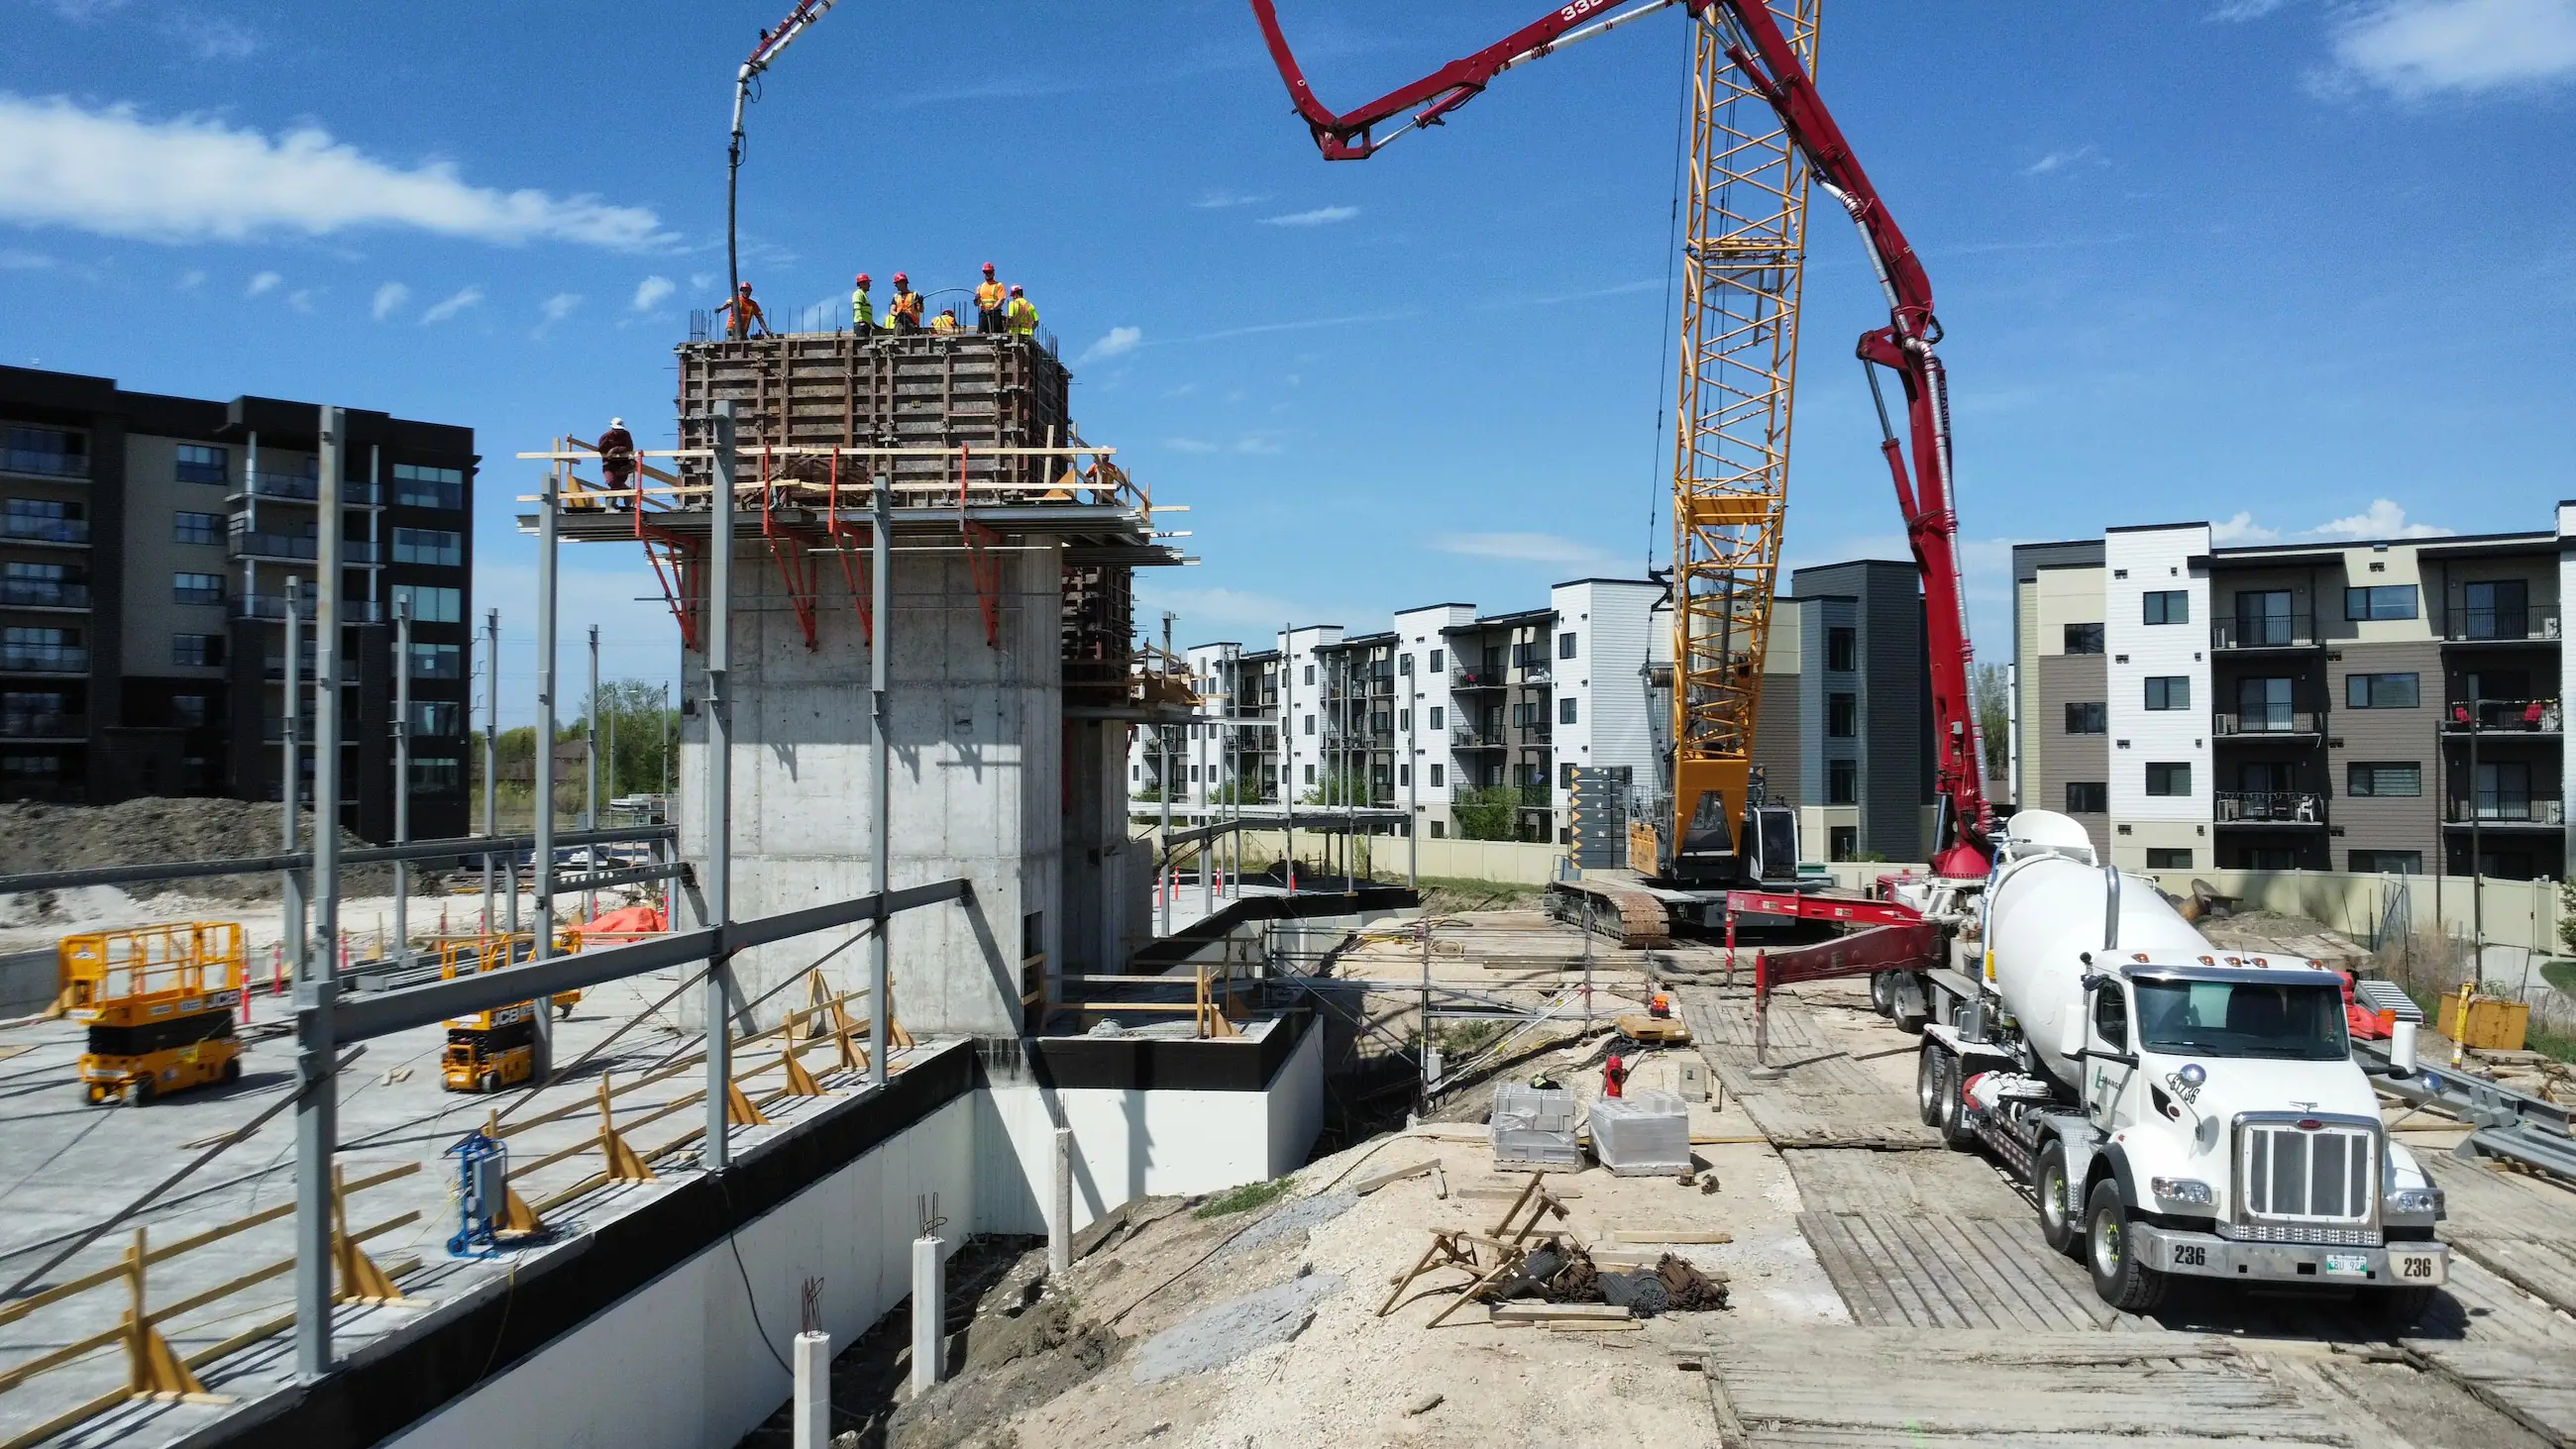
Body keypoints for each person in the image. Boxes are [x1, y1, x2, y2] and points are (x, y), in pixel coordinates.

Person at [597, 416, 636, 503]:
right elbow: (601, 449)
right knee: (612, 481)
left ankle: (611, 506)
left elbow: (629, 447)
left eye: (620, 429)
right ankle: (628, 493)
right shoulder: (606, 436)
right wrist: (609, 454)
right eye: (616, 429)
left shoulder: (626, 434)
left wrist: (615, 450)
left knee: (616, 485)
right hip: (609, 464)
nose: (618, 431)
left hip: (622, 463)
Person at [974, 261, 1008, 335]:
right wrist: (976, 299)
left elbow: (1001, 300)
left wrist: (992, 309)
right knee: (982, 335)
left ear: (993, 273)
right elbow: (977, 303)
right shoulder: (980, 287)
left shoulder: (998, 285)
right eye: (986, 272)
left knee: (996, 334)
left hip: (995, 314)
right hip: (984, 314)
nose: (988, 274)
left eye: (989, 272)